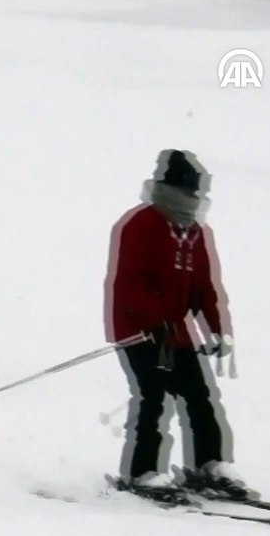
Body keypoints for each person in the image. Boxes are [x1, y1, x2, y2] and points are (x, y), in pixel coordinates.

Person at [103, 150, 247, 504]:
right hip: (138, 331)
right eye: (190, 192)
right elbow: (129, 283)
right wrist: (154, 321)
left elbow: (203, 287)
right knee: (153, 399)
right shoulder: (140, 224)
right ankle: (143, 472)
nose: (195, 199)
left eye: (197, 193)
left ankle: (209, 467)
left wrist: (216, 328)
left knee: (200, 399)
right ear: (171, 189)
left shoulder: (195, 232)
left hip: (176, 334)